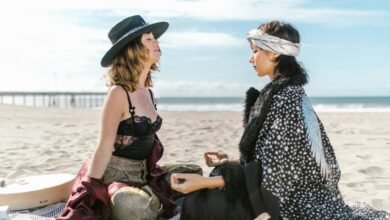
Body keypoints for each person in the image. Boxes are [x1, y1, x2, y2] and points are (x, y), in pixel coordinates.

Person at [170, 21, 390, 220]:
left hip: (293, 205)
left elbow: (275, 173)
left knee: (198, 203)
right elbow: (276, 157)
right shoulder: (286, 93)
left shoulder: (286, 99)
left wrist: (206, 182)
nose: (250, 58)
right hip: (289, 191)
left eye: (255, 51)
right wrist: (230, 162)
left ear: (274, 54)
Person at [58, 15, 201, 220]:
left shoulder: (148, 92)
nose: (156, 42)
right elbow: (104, 146)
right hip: (117, 179)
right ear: (133, 50)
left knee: (194, 173)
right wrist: (89, 192)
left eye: (154, 38)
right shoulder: (118, 92)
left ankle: (152, 201)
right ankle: (147, 204)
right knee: (130, 204)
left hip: (146, 174)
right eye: (149, 39)